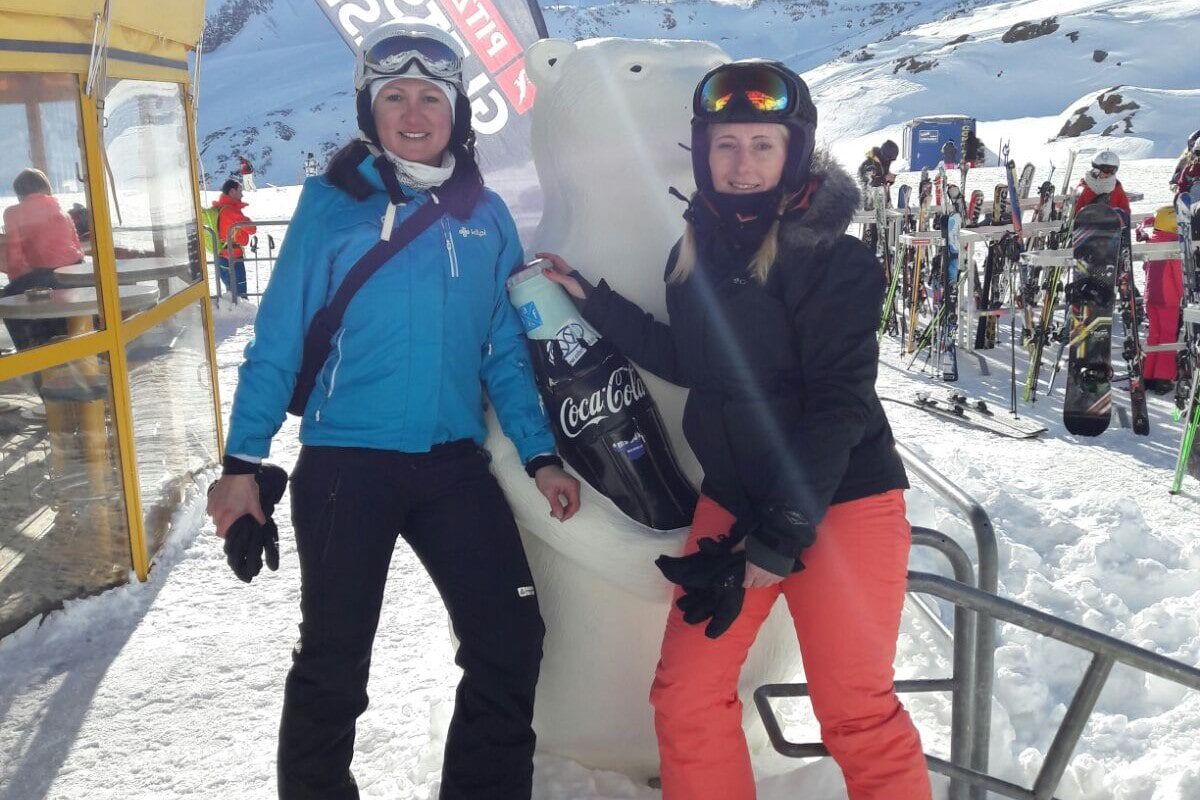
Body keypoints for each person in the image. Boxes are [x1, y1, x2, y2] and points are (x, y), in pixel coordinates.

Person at [205, 22, 580, 800]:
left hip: (451, 465)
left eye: (430, 97)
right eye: (395, 97)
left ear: (456, 111)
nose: (414, 114)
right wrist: (242, 463)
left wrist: (540, 453)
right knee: (334, 663)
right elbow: (278, 341)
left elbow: (504, 351)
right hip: (347, 466)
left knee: (510, 640)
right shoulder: (331, 205)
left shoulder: (486, 216)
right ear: (369, 111)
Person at [540, 60, 931, 799]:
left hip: (840, 503)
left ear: (794, 152)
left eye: (761, 144)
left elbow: (840, 403)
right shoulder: (695, 253)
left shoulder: (834, 259)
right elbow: (695, 362)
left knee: (855, 712)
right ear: (702, 152)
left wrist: (781, 535)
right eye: (725, 144)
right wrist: (591, 301)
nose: (742, 163)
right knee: (686, 694)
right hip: (734, 499)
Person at [1, 168, 82, 349]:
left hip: (48, 274)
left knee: (8, 299)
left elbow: (14, 258)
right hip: (75, 270)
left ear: (19, 193)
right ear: (45, 187)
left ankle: (28, 349)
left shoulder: (12, 213)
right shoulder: (59, 207)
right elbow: (76, 245)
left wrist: (19, 285)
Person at [1135, 207, 1184, 394]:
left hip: (1151, 296)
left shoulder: (1153, 241)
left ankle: (1148, 374)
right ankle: (1163, 378)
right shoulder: (1172, 245)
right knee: (1167, 337)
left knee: (1154, 335)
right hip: (1168, 298)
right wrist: (1184, 295)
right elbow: (1178, 276)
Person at [212, 179, 254, 299]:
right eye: (240, 191)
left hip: (224, 256)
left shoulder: (222, 208)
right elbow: (252, 229)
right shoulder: (230, 211)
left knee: (232, 293)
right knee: (239, 295)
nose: (242, 194)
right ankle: (240, 311)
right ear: (232, 192)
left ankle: (234, 309)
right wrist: (247, 220)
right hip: (232, 257)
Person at [1073, 150, 1130, 221]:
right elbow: (1076, 212)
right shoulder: (1084, 186)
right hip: (1088, 225)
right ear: (1096, 169)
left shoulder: (1116, 186)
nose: (1109, 173)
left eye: (1113, 170)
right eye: (1106, 169)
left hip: (1111, 225)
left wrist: (1118, 217)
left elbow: (1125, 210)